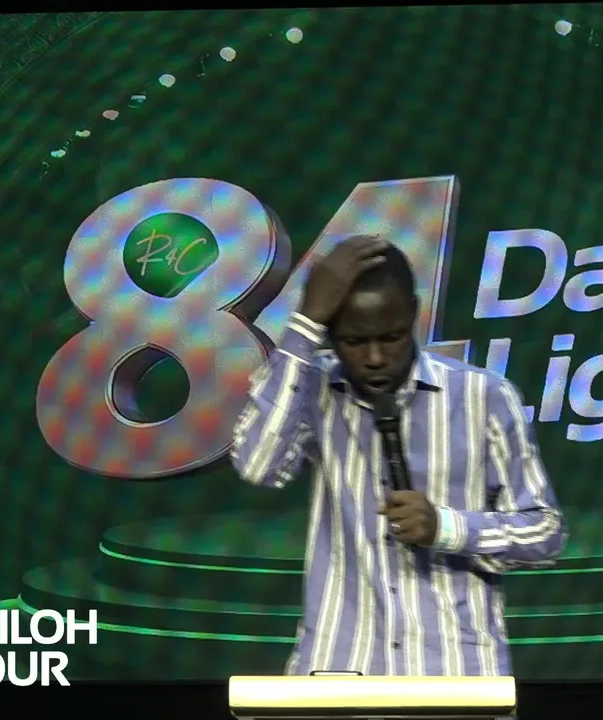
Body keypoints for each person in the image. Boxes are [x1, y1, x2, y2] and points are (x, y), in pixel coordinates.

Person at [231, 235, 566, 676]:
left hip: (454, 670)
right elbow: (258, 465)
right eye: (354, 341)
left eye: (391, 337)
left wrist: (446, 527)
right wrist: (305, 324)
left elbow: (544, 533)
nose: (374, 358)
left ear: (413, 313)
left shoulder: (483, 396)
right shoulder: (311, 391)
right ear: (330, 334)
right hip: (340, 668)